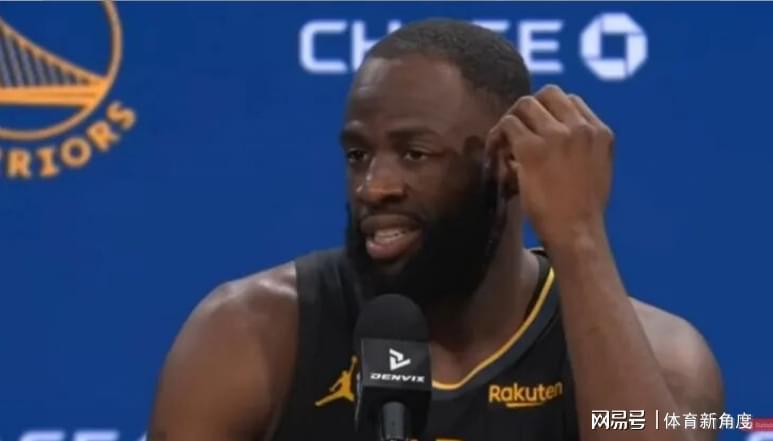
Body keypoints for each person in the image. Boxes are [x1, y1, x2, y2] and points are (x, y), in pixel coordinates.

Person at [147, 18, 724, 441]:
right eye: (357, 155)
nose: (373, 186)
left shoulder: (665, 358)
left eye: (415, 154)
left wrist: (579, 237)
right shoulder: (250, 334)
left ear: (508, 164)